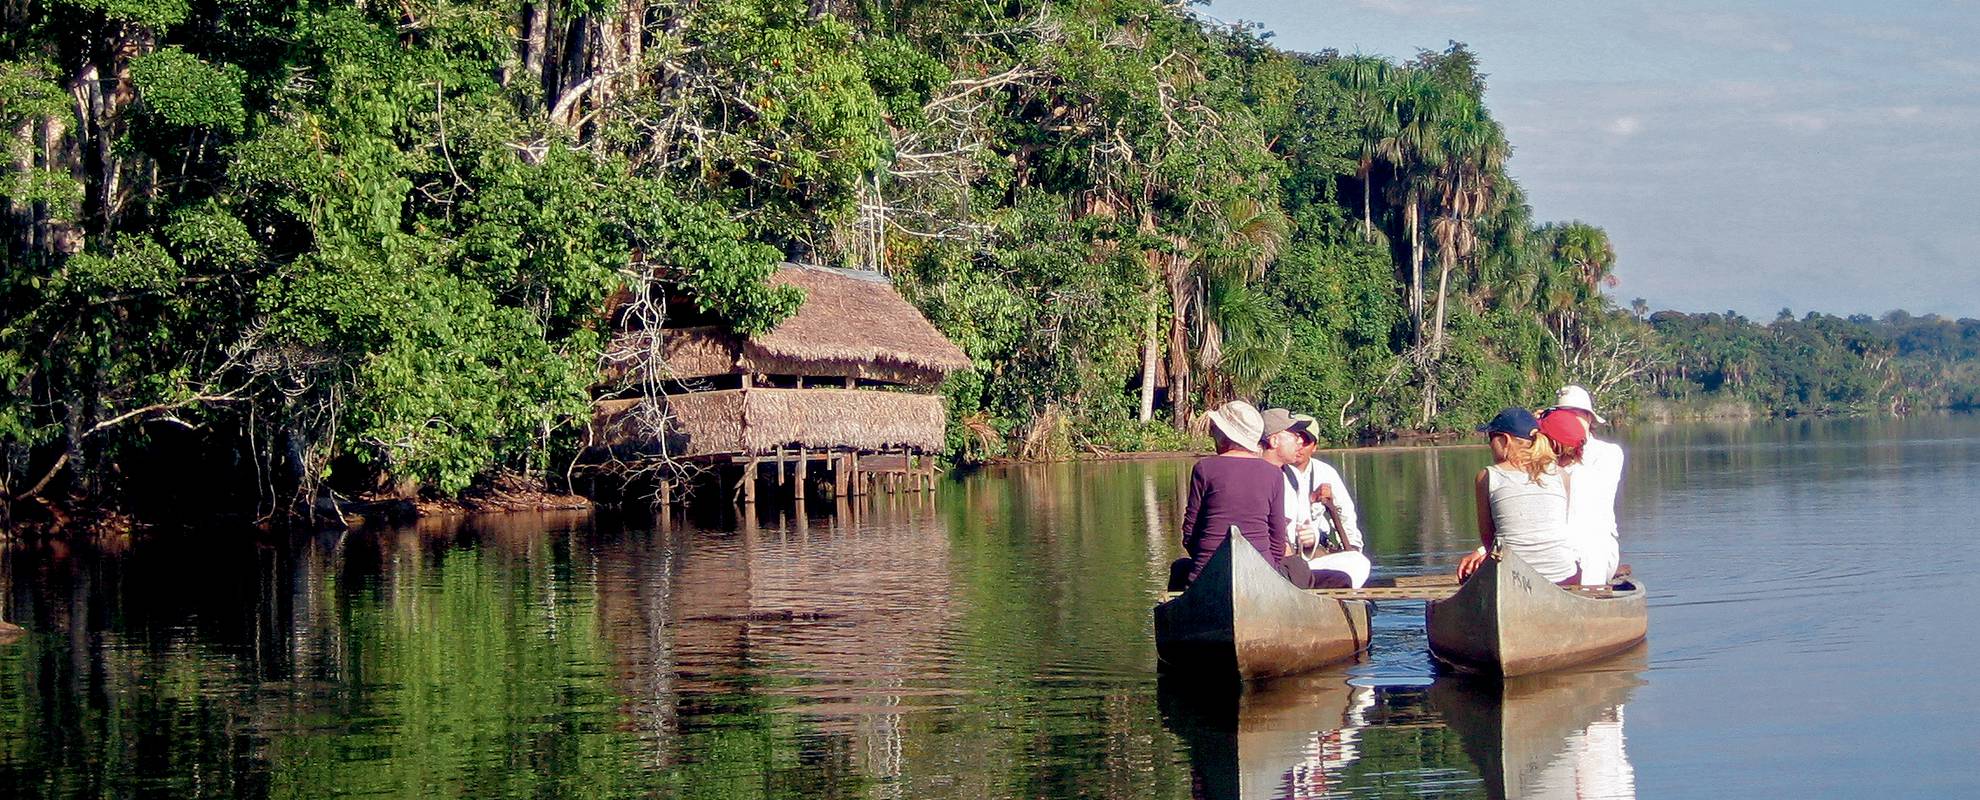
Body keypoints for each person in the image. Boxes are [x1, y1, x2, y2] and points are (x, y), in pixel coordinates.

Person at [1173, 402, 1314, 589]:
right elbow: (1277, 538)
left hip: (1207, 577)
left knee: (1180, 567)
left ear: (1224, 435)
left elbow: (1190, 533)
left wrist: (1204, 561)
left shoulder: (1204, 468)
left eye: (1214, 430)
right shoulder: (1273, 474)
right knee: (1298, 566)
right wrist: (1269, 569)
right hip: (1261, 577)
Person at [1456, 408, 1581, 585]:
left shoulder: (1487, 477)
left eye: (1491, 438)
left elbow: (1489, 540)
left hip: (1514, 580)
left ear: (1505, 440)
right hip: (1564, 576)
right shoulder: (1561, 475)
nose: (1490, 445)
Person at [1545, 385, 1626, 586]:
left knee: (1591, 553)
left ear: (1589, 418)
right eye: (1562, 415)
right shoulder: (1546, 455)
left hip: (1595, 546)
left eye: (1575, 414)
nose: (1569, 421)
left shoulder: (1608, 453)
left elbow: (1582, 495)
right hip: (1555, 547)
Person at [1280, 413, 1371, 589]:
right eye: (1295, 439)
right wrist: (1311, 499)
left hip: (1315, 548)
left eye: (1305, 441)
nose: (1299, 447)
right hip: (1287, 552)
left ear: (1314, 447)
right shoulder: (1277, 471)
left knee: (1358, 562)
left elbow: (1345, 512)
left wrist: (1352, 546)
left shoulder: (1326, 472)